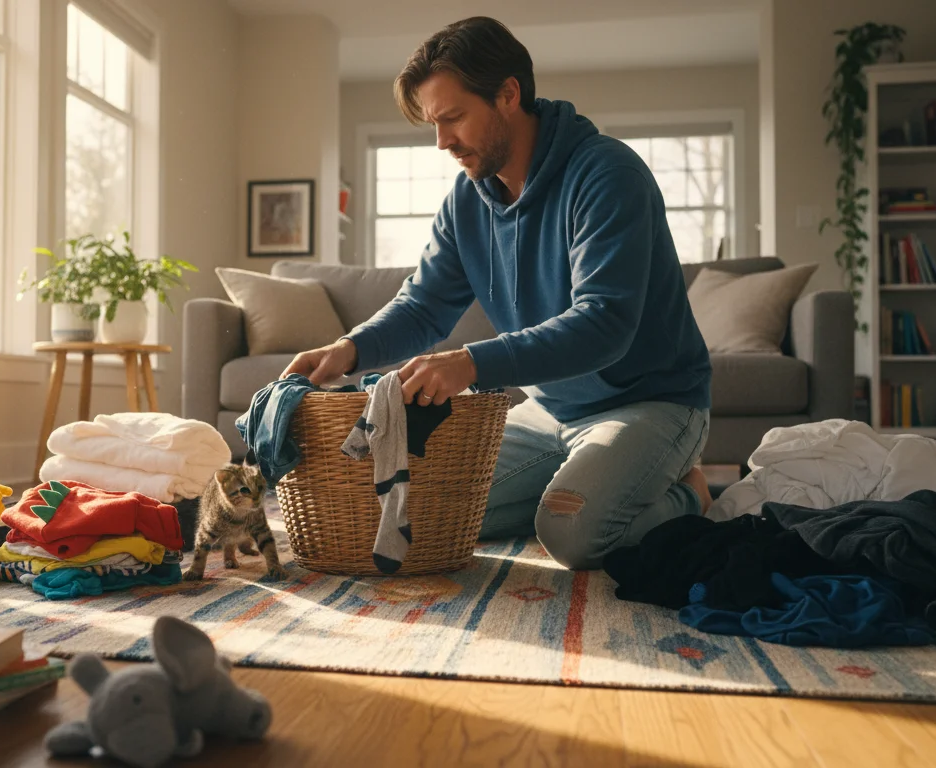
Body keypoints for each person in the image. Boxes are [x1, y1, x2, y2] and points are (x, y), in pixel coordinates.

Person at [281, 17, 712, 570]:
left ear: (508, 94)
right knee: (424, 510)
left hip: (651, 404)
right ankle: (582, 487)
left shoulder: (607, 175)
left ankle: (688, 493)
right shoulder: (466, 202)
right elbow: (423, 306)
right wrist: (349, 349)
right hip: (549, 409)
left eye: (453, 118)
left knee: (570, 533)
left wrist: (470, 363)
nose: (442, 142)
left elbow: (604, 324)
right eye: (434, 124)